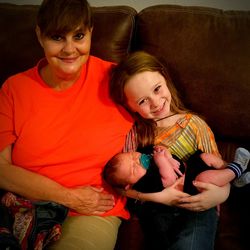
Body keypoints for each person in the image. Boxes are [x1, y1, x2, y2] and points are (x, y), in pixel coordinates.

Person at [0, 0, 135, 249]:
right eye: (57, 37)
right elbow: (1, 169)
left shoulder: (118, 80)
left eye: (79, 36)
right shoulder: (13, 89)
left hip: (91, 213)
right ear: (40, 35)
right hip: (25, 208)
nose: (70, 49)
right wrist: (68, 197)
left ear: (91, 32)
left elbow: (169, 120)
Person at [109, 51, 235, 250]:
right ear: (130, 106)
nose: (156, 102)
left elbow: (220, 169)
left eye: (157, 89)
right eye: (142, 101)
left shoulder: (194, 125)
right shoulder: (135, 134)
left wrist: (221, 196)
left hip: (196, 203)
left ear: (165, 78)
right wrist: (158, 197)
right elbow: (120, 181)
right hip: (156, 209)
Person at [104, 146, 249, 193]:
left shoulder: (145, 151)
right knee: (204, 179)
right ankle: (237, 168)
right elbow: (169, 180)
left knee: (206, 157)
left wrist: (165, 153)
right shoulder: (145, 183)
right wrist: (162, 162)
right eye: (133, 170)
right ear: (129, 185)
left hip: (189, 166)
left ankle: (234, 175)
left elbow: (161, 148)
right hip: (190, 183)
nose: (137, 162)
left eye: (131, 156)